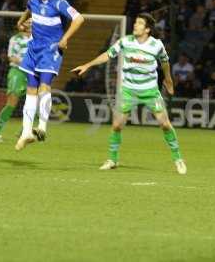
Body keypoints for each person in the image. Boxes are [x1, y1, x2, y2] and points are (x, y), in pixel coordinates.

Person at [71, 13, 187, 175]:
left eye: (139, 23)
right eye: (136, 22)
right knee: (117, 125)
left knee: (165, 124)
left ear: (147, 29)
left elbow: (165, 62)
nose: (135, 25)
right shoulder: (125, 41)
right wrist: (88, 65)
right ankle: (112, 159)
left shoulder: (157, 45)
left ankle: (178, 159)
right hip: (128, 90)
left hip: (150, 91)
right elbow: (108, 55)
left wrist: (168, 80)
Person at [15, 0, 84, 150]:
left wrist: (65, 38)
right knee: (31, 89)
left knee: (44, 86)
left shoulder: (59, 3)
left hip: (50, 50)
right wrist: (21, 21)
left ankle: (42, 126)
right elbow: (29, 8)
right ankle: (26, 132)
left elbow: (79, 19)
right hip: (33, 49)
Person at [0, 19, 32, 142]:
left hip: (33, 74)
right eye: (28, 22)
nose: (31, 24)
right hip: (17, 72)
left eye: (32, 22)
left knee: (36, 103)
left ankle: (25, 131)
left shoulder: (38, 39)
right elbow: (11, 57)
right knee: (12, 102)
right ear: (22, 24)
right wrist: (27, 64)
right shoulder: (15, 39)